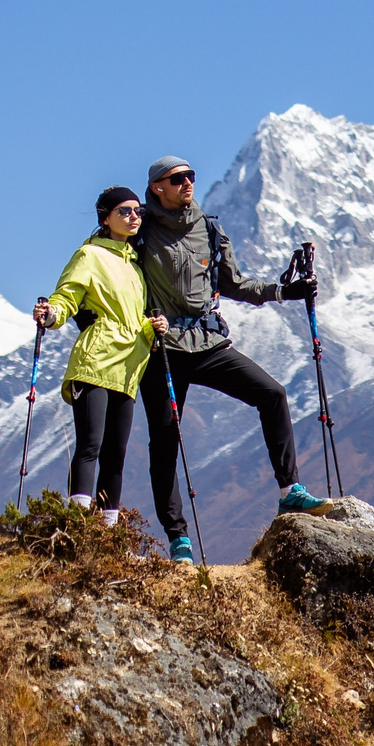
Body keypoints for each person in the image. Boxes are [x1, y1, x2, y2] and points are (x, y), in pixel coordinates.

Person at [136, 154, 332, 564]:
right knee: (165, 442)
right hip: (162, 349)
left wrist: (284, 292)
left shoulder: (209, 229)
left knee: (272, 394)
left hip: (208, 342)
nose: (188, 182)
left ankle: (290, 491)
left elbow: (234, 283)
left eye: (190, 175)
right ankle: (178, 538)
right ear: (157, 187)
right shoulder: (140, 232)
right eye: (177, 178)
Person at [34, 186, 166, 524]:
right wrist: (51, 315)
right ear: (105, 219)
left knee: (115, 456)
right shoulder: (89, 255)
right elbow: (66, 297)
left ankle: (109, 535)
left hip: (128, 369)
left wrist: (153, 326)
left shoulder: (136, 267)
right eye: (125, 211)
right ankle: (78, 527)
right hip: (94, 362)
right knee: (90, 445)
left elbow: (133, 320)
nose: (134, 216)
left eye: (138, 211)